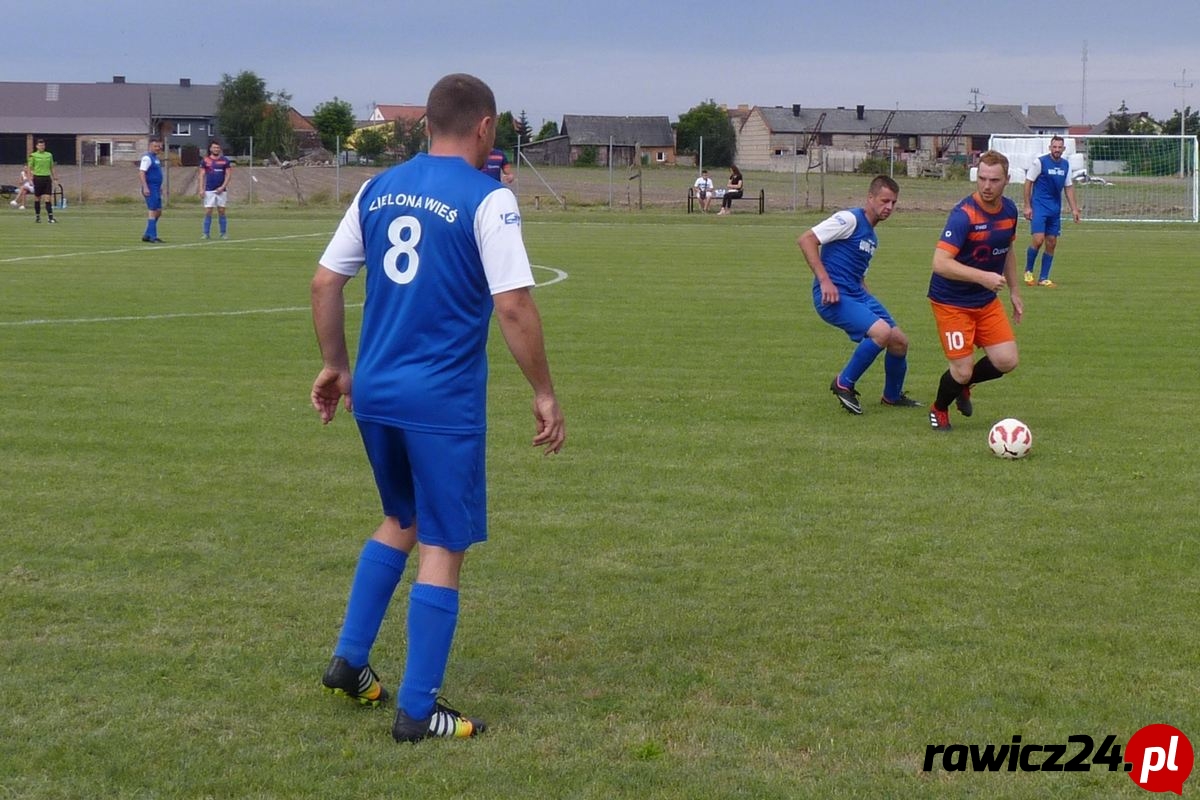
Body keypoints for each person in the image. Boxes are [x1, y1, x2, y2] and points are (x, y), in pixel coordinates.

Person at [311, 73, 565, 744]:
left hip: (377, 392)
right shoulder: (488, 199)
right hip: (440, 401)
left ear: (427, 124)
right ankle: (419, 711)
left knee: (403, 517)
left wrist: (337, 366)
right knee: (444, 543)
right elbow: (513, 305)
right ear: (484, 127)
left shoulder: (375, 186)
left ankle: (349, 660)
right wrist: (543, 391)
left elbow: (324, 281)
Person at [798, 175, 920, 414]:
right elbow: (807, 239)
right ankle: (844, 383)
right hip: (833, 296)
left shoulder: (872, 237)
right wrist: (825, 281)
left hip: (856, 294)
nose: (889, 207)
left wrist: (869, 302)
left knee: (899, 342)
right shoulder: (849, 219)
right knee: (882, 333)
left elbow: (859, 275)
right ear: (870, 197)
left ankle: (892, 397)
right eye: (885, 201)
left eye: (893, 203)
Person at [927, 150, 1024, 432]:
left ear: (1007, 180)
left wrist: (1015, 291)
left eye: (994, 180)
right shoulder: (964, 216)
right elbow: (939, 263)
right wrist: (982, 277)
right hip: (951, 302)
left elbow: (1007, 250)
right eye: (982, 178)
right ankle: (939, 408)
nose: (986, 186)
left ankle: (963, 386)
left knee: (1007, 361)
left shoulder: (1010, 211)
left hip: (985, 302)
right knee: (962, 369)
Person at [1023, 135, 1080, 287]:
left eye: (1059, 147)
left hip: (1055, 210)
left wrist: (1074, 209)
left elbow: (1068, 187)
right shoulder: (1040, 162)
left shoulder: (1066, 166)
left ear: (1063, 149)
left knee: (1052, 242)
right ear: (1050, 148)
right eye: (1054, 147)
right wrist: (1027, 206)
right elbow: (1028, 182)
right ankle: (1028, 271)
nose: (1056, 150)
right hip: (1039, 207)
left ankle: (1043, 278)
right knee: (1038, 240)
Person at [197, 139, 233, 239]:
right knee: (208, 211)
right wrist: (201, 189)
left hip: (221, 190)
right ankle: (206, 233)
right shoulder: (205, 160)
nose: (216, 149)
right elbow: (201, 175)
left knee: (221, 211)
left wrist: (223, 187)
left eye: (217, 147)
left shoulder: (225, 160)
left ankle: (223, 233)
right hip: (209, 190)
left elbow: (228, 175)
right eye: (214, 147)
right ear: (210, 149)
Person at [139, 136, 165, 243]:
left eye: (159, 146)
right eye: (155, 146)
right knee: (152, 211)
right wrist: (145, 187)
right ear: (150, 146)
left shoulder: (155, 158)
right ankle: (153, 237)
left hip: (156, 188)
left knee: (158, 212)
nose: (157, 148)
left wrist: (160, 187)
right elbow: (141, 173)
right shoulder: (147, 158)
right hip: (150, 188)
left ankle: (147, 234)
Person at [27, 139, 57, 223]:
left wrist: (55, 178)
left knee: (48, 198)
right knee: (37, 198)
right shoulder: (33, 156)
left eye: (43, 145)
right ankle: (38, 217)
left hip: (47, 178)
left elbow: (52, 167)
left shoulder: (49, 155)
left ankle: (50, 218)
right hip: (38, 178)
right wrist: (29, 179)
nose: (42, 147)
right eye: (40, 146)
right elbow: (29, 168)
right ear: (36, 146)